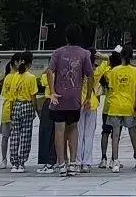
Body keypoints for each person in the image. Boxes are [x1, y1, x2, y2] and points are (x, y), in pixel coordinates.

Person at [47, 28, 94, 175]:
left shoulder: (57, 52)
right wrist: (88, 97)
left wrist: (52, 91)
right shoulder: (84, 54)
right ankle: (73, 163)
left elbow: (49, 71)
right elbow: (90, 75)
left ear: (66, 37)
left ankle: (62, 163)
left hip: (59, 98)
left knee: (59, 131)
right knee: (73, 129)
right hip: (75, 99)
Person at [104, 47, 136, 171]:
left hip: (115, 105)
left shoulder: (114, 70)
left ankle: (115, 161)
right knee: (133, 133)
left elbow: (111, 88)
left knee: (115, 135)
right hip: (129, 106)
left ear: (121, 56)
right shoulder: (135, 71)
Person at [2, 53, 39, 172]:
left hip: (16, 106)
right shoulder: (31, 77)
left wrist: (11, 110)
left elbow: (11, 97)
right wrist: (35, 110)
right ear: (30, 63)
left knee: (14, 135)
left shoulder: (14, 76)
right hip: (27, 105)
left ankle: (14, 163)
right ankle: (22, 162)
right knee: (25, 135)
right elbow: (33, 96)